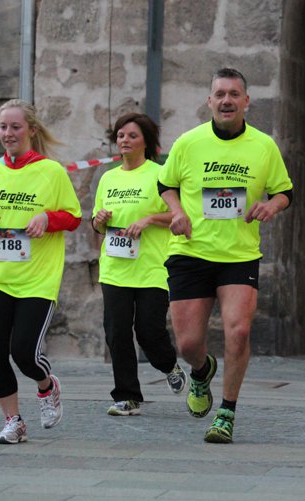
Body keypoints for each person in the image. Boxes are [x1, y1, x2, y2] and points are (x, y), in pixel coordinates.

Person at [158, 68, 293, 443]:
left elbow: (285, 192)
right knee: (187, 344)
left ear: (246, 101)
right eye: (220, 94)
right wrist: (177, 212)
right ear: (209, 101)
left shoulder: (263, 146)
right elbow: (166, 184)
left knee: (239, 330)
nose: (227, 100)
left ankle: (226, 413)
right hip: (190, 252)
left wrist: (272, 206)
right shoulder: (189, 142)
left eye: (234, 94)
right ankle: (202, 371)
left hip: (239, 254)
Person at [0, 99, 82, 444]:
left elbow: (73, 217)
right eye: (3, 127)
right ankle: (13, 421)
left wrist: (47, 218)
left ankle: (47, 386)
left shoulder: (51, 172)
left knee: (25, 352)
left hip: (37, 279)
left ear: (31, 129)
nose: (8, 133)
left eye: (15, 127)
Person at [92, 113, 187, 416]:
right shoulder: (108, 178)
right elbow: (97, 224)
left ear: (146, 141)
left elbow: (179, 215)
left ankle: (169, 365)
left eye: (132, 135)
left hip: (151, 268)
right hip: (115, 269)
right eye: (121, 135)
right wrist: (99, 220)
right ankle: (127, 396)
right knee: (117, 333)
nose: (125, 140)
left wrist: (149, 219)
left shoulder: (160, 175)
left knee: (148, 332)